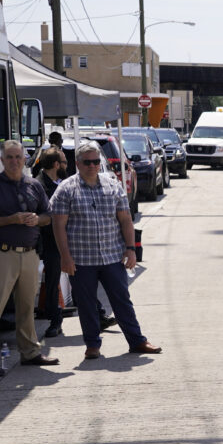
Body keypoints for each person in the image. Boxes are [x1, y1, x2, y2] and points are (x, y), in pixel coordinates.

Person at [50, 140, 161, 360]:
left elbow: (126, 220)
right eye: (87, 162)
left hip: (111, 256)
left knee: (122, 300)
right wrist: (65, 257)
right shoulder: (66, 189)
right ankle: (92, 345)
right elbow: (58, 225)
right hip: (81, 260)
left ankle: (137, 341)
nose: (92, 166)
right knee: (86, 303)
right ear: (78, 164)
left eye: (95, 162)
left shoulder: (113, 186)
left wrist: (130, 250)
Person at [0, 139, 59, 376]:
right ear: (1, 160)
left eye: (18, 157)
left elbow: (47, 215)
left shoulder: (33, 185)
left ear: (24, 159)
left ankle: (30, 352)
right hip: (2, 254)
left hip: (29, 255)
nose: (14, 161)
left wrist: (36, 219)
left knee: (27, 307)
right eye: (9, 157)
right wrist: (11, 219)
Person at [35, 147, 68, 338]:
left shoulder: (63, 182)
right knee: (53, 280)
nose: (66, 166)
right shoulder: (39, 185)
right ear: (56, 165)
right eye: (64, 162)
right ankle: (54, 321)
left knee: (83, 278)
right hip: (51, 241)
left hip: (69, 240)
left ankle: (98, 314)